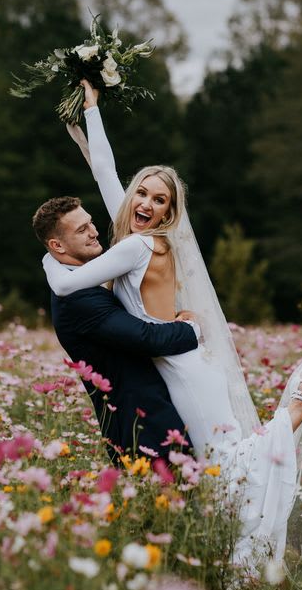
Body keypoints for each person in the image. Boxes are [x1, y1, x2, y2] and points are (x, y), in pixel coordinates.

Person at [42, 81, 302, 570]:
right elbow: (103, 170)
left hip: (183, 368)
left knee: (228, 467)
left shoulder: (138, 246)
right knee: (217, 473)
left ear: (172, 212)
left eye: (160, 200)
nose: (147, 203)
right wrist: (93, 111)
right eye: (142, 193)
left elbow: (66, 287)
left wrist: (48, 259)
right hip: (177, 362)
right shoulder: (131, 235)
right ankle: (237, 560)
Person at [32, 195, 200, 465]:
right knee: (174, 501)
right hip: (140, 425)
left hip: (147, 417)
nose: (94, 232)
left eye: (90, 223)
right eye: (81, 230)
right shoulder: (78, 301)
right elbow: (148, 339)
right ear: (57, 245)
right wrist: (193, 328)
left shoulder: (79, 283)